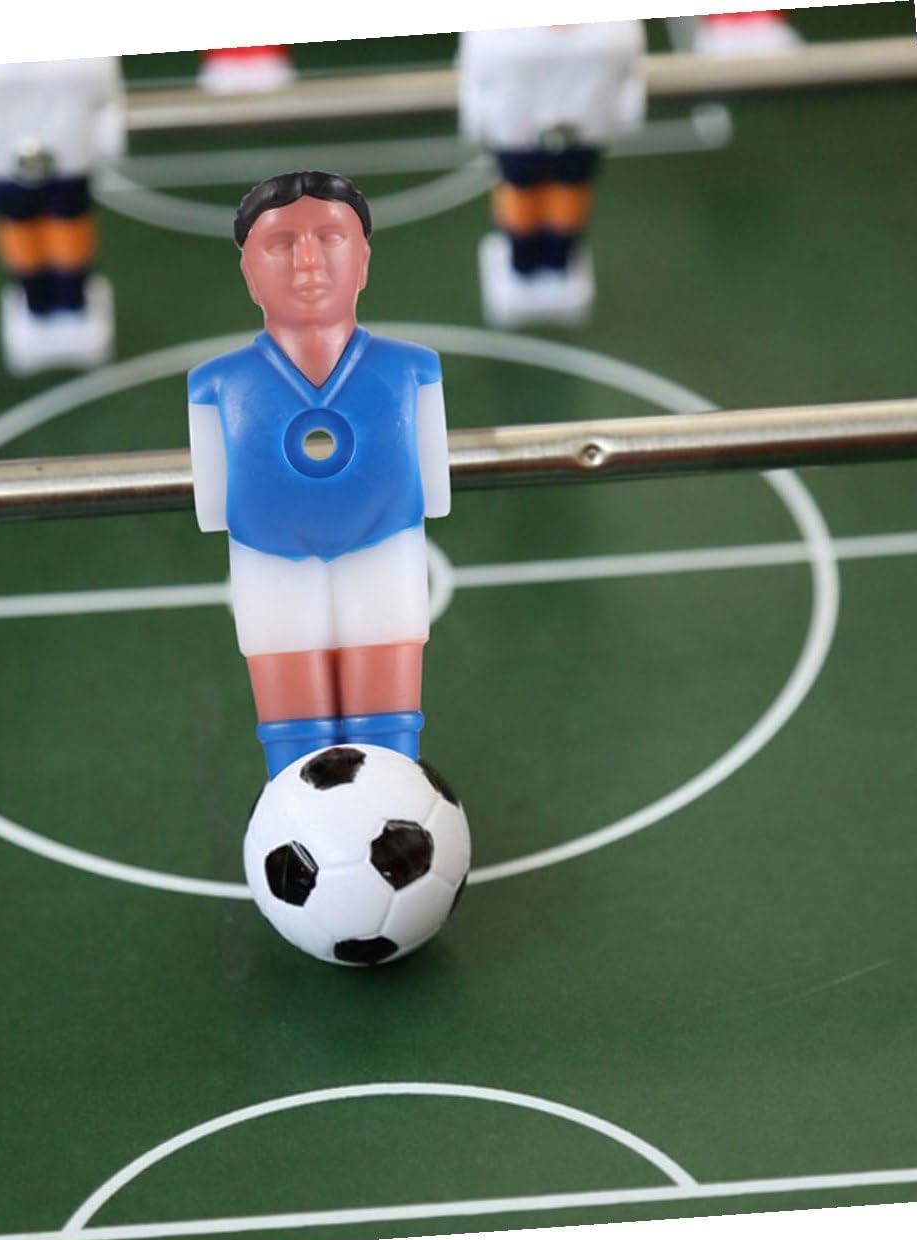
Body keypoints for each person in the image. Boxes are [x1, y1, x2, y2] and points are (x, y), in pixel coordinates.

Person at [187, 172, 451, 778]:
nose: (308, 261)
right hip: (270, 562)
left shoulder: (413, 372)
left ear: (364, 261)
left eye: (329, 238)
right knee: (293, 745)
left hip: (385, 554)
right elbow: (214, 505)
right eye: (281, 244)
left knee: (388, 736)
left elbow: (433, 492)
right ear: (249, 273)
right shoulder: (217, 387)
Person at [0, 58, 125, 376]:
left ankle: (69, 304)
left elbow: (101, 90)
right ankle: (40, 304)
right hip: (11, 163)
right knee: (24, 236)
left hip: (60, 159)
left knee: (65, 234)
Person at [457, 22, 646, 328]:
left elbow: (476, 81)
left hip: (539, 131)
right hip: (548, 131)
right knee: (542, 193)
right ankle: (535, 261)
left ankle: (544, 261)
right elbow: (629, 80)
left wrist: (478, 120)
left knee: (552, 193)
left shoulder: (494, 35)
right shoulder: (615, 31)